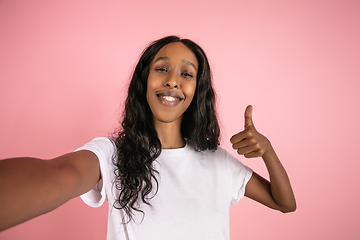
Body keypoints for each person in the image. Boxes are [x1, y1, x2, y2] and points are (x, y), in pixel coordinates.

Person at [0, 36, 296, 239]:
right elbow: (59, 174)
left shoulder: (217, 161)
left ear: (198, 91)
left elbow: (284, 203)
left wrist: (268, 151)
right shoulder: (111, 154)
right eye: (162, 69)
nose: (172, 80)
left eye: (187, 74)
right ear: (145, 80)